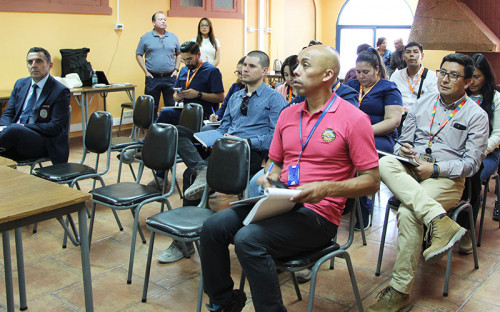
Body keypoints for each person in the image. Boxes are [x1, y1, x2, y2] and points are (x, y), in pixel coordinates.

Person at [200, 44, 380, 312]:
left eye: (305, 65)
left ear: (327, 75)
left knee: (248, 239)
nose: (295, 71)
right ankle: (224, 301)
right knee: (213, 227)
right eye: (297, 65)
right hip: (280, 201)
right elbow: (275, 161)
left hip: (318, 215)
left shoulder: (354, 119)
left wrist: (326, 188)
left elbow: (372, 181)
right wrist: (270, 175)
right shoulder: (288, 113)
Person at [366, 53, 489, 312]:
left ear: (467, 82)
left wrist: (434, 168)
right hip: (413, 168)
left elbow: (472, 164)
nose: (445, 79)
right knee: (384, 162)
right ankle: (440, 221)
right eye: (442, 72)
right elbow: (402, 141)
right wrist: (404, 149)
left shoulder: (476, 116)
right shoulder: (423, 102)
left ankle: (399, 291)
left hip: (446, 178)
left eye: (453, 75)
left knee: (410, 213)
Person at [156, 50, 287, 264]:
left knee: (190, 174)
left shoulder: (274, 98)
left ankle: (200, 173)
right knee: (178, 132)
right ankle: (201, 170)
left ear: (264, 71)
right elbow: (225, 126)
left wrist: (245, 142)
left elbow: (275, 136)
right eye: (244, 64)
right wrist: (213, 138)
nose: (245, 69)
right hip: (222, 147)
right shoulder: (236, 96)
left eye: (252, 66)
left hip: (247, 152)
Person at [346, 48, 403, 230]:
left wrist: (364, 131)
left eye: (366, 72)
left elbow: (393, 121)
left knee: (355, 158)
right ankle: (340, 201)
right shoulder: (352, 86)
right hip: (352, 137)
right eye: (358, 72)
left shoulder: (388, 88)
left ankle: (364, 211)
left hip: (380, 138)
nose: (361, 76)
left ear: (377, 69)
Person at [458, 53, 500, 253]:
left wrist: (477, 150)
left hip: (487, 154)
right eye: (469, 76)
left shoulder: (495, 98)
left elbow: (498, 134)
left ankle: (467, 230)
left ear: (486, 77)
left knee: (472, 177)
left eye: (477, 76)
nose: (472, 81)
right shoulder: (459, 97)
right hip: (457, 151)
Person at [0, 47, 70, 164]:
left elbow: (54, 127)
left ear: (50, 65)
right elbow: (8, 114)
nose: (33, 65)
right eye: (30, 62)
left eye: (39, 61)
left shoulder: (60, 91)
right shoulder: (20, 84)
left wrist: (23, 127)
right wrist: (4, 128)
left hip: (42, 142)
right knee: (12, 129)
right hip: (13, 138)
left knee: (15, 129)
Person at [156, 41, 225, 126]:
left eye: (189, 59)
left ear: (198, 55)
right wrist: (177, 97)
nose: (186, 63)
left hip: (202, 114)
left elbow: (221, 98)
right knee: (165, 113)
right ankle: (151, 139)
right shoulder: (184, 70)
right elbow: (175, 94)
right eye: (183, 60)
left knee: (168, 117)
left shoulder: (212, 71)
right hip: (185, 110)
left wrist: (198, 94)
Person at [136, 11, 182, 118]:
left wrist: (176, 70)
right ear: (153, 22)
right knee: (151, 107)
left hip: (170, 77)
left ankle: (171, 131)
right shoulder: (146, 37)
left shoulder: (173, 37)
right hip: (152, 77)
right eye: (160, 19)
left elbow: (179, 54)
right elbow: (138, 55)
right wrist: (146, 72)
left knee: (171, 106)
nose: (163, 21)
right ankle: (152, 131)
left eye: (165, 19)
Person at [390, 42, 438, 111]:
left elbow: (433, 101)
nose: (411, 55)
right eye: (408, 52)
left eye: (415, 52)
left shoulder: (431, 76)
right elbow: (391, 99)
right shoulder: (396, 76)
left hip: (421, 116)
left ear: (422, 56)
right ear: (403, 57)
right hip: (399, 115)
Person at [208, 56, 246, 124]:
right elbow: (225, 106)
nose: (240, 76)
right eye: (239, 73)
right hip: (229, 123)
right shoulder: (235, 87)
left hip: (240, 125)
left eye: (243, 73)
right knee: (206, 128)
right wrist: (216, 116)